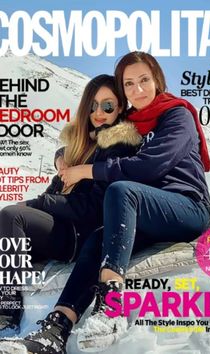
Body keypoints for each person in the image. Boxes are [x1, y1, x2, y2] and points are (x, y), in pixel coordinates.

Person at [1, 52, 210, 354]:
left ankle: (111, 306)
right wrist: (64, 156)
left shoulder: (176, 115)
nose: (137, 89)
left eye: (144, 80)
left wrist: (82, 171)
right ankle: (57, 330)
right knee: (101, 238)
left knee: (121, 190)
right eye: (129, 84)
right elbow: (93, 141)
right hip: (148, 211)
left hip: (186, 206)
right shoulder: (134, 125)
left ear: (158, 80)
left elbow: (146, 168)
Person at [0, 74, 141, 338]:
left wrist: (36, 203)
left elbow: (94, 206)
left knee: (11, 215)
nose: (99, 112)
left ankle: (7, 312)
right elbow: (59, 180)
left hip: (80, 233)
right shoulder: (84, 143)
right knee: (8, 225)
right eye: (92, 106)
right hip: (62, 226)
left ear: (120, 107)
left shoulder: (120, 146)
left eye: (108, 106)